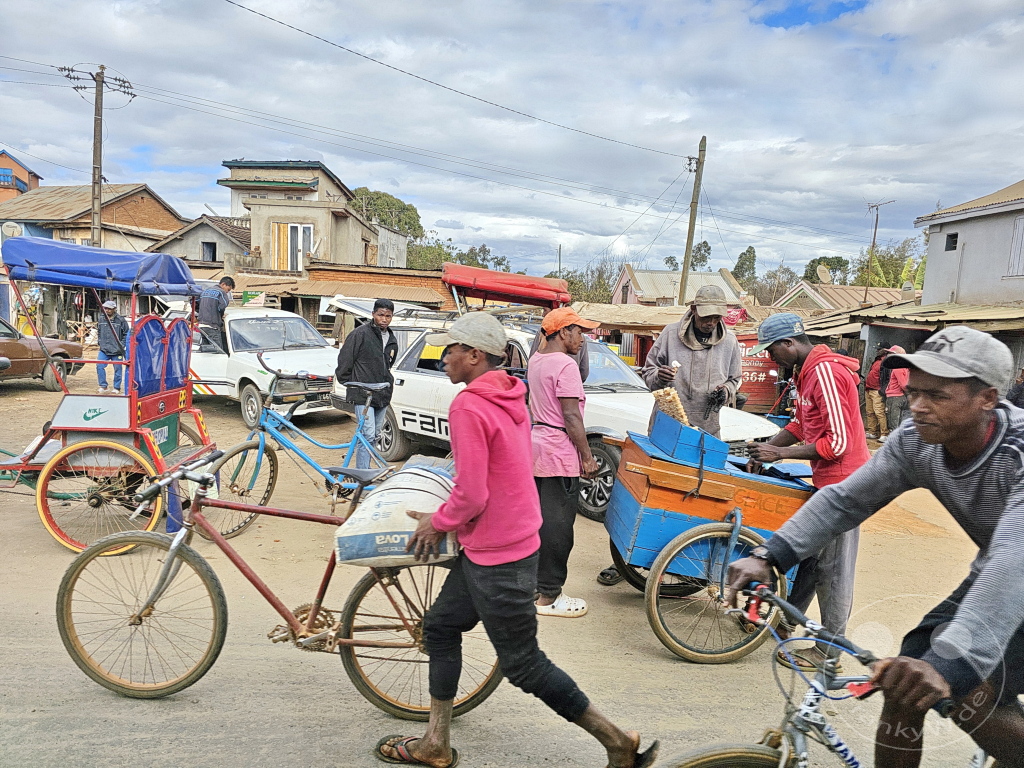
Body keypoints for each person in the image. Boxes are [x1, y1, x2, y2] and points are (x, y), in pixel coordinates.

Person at [729, 325, 1024, 768]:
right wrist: (770, 555)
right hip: (999, 574)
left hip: (1013, 571)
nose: (917, 407)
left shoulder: (1016, 452)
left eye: (937, 396)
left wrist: (952, 665)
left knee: (961, 687)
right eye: (915, 392)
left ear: (988, 398)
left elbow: (1014, 560)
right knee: (905, 686)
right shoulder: (915, 441)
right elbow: (847, 499)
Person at [381, 312, 658, 768]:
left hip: (498, 554)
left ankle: (616, 741)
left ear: (475, 355)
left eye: (452, 349)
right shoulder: (510, 392)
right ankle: (435, 742)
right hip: (501, 542)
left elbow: (472, 494)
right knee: (441, 628)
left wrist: (438, 521)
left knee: (524, 665)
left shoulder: (469, 405)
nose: (444, 357)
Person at [745, 312, 870, 671]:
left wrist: (780, 455)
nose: (770, 358)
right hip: (828, 483)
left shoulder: (825, 372)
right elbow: (802, 424)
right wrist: (768, 447)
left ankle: (829, 654)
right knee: (811, 557)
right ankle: (788, 620)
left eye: (772, 350)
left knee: (834, 571)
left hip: (846, 485)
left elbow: (839, 443)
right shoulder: (806, 372)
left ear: (789, 343)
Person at [599, 284, 741, 587]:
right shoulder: (669, 334)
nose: (710, 323)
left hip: (706, 430)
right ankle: (627, 559)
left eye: (716, 318)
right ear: (693, 310)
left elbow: (735, 380)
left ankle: (684, 564)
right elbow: (648, 373)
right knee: (652, 494)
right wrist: (658, 376)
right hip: (667, 428)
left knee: (696, 499)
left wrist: (726, 391)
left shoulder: (729, 342)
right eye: (705, 316)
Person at [529, 307, 601, 618]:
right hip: (559, 451)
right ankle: (549, 596)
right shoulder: (565, 365)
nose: (583, 339)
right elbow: (571, 416)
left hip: (537, 447)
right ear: (563, 332)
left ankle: (534, 587)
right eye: (579, 332)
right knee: (558, 527)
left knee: (539, 522)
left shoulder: (536, 360)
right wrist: (587, 457)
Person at [335, 298, 397, 469]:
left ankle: (365, 470)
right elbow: (345, 361)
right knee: (367, 435)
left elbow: (389, 363)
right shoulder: (360, 334)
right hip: (363, 394)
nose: (384, 319)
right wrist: (352, 384)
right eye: (380, 315)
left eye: (388, 316)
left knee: (375, 435)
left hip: (382, 393)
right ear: (373, 314)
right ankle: (362, 475)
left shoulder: (391, 338)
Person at [96, 299, 129, 395]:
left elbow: (126, 334)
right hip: (104, 349)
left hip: (117, 350)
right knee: (99, 366)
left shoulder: (121, 320)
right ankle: (103, 386)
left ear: (114, 309)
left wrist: (121, 345)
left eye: (109, 309)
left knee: (118, 369)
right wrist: (100, 342)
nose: (107, 310)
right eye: (105, 308)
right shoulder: (101, 319)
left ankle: (116, 387)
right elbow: (99, 331)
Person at [197, 276, 235, 353]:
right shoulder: (221, 292)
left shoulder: (205, 291)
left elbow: (195, 303)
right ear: (223, 284)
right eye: (228, 289)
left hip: (201, 327)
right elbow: (222, 306)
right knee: (218, 353)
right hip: (213, 326)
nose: (227, 292)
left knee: (206, 352)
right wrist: (220, 315)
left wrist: (200, 313)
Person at [881, 344, 909, 441]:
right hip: (900, 396)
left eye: (891, 353)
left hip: (895, 397)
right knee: (898, 421)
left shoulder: (898, 368)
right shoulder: (905, 367)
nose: (889, 355)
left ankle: (894, 442)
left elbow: (903, 384)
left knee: (893, 421)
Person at [864, 349, 890, 440]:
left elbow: (887, 378)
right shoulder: (877, 361)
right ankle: (872, 432)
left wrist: (882, 390)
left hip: (877, 390)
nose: (878, 351)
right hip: (869, 389)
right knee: (870, 412)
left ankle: (884, 434)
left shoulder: (885, 362)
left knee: (879, 412)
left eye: (880, 349)